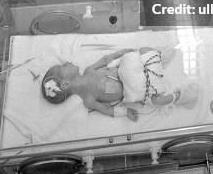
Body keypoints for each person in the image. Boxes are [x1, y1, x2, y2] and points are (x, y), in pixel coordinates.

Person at [41, 47, 199, 121]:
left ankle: (159, 59)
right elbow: (108, 110)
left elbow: (104, 60)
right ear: (65, 85)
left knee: (143, 50)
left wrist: (118, 54)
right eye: (63, 66)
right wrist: (126, 112)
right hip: (134, 91)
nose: (67, 62)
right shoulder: (88, 100)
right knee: (156, 101)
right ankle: (179, 96)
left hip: (130, 71)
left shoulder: (89, 70)